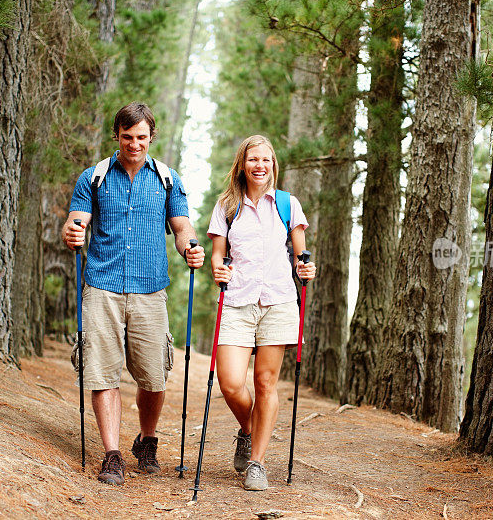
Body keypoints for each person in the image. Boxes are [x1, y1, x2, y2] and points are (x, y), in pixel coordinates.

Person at [62, 102, 204, 486]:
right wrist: (73, 232)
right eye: (128, 137)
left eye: (142, 137)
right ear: (117, 135)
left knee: (154, 377)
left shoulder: (167, 180)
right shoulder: (94, 177)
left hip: (150, 289)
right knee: (102, 372)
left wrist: (191, 246)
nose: (134, 144)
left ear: (151, 137)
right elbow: (76, 221)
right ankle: (112, 454)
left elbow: (181, 227)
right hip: (102, 287)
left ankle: (146, 439)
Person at [206, 134, 316, 491]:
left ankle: (257, 462)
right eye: (253, 159)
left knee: (265, 383)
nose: (260, 166)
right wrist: (218, 268)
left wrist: (305, 267)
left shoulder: (287, 204)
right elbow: (218, 255)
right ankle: (248, 430)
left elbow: (301, 252)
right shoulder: (226, 205)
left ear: (273, 164)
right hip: (237, 301)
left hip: (279, 301)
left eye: (266, 160)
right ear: (242, 164)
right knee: (232, 383)